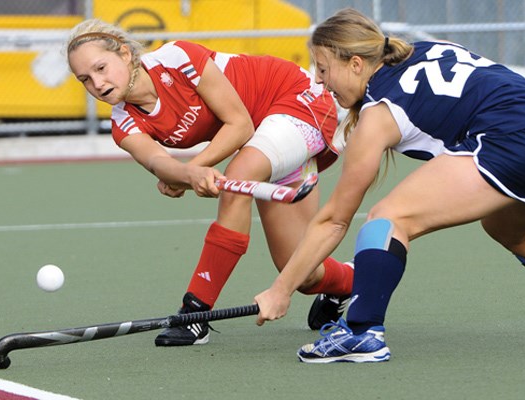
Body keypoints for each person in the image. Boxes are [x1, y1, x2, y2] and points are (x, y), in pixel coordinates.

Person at [254, 8, 525, 363]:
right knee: (508, 225)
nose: (319, 80)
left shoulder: (378, 114)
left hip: (516, 141)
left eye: (323, 69)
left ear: (355, 64)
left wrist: (281, 289)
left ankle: (361, 330)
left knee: (388, 217)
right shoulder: (424, 50)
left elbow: (335, 220)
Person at [66, 19, 354, 346]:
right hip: (265, 142)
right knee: (300, 270)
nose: (97, 83)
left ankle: (196, 312)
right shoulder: (123, 122)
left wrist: (193, 169)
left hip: (298, 100)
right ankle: (355, 283)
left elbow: (239, 125)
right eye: (85, 79)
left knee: (237, 176)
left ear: (124, 53)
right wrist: (181, 174)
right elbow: (159, 163)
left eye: (101, 68)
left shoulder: (177, 58)